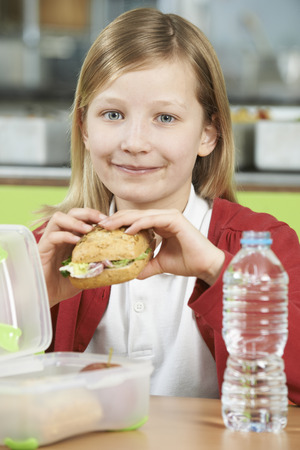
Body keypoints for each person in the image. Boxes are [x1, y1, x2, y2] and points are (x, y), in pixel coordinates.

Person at [36, 8, 300, 403]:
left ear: (208, 134)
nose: (135, 142)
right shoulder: (52, 249)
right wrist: (27, 303)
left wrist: (217, 271)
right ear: (84, 129)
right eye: (113, 114)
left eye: (165, 117)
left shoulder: (261, 248)